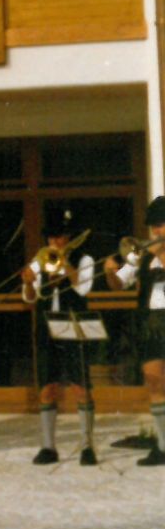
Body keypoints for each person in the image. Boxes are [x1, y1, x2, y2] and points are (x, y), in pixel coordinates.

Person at [21, 209, 97, 465]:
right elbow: (29, 299)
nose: (55, 243)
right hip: (46, 327)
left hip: (72, 325)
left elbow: (83, 287)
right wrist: (30, 282)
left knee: (81, 386)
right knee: (47, 386)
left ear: (68, 237)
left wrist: (65, 266)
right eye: (52, 238)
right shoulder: (38, 259)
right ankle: (48, 447)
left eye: (60, 238)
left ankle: (87, 447)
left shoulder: (84, 259)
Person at [110, 197, 165, 467]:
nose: (156, 231)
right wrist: (111, 272)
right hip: (151, 326)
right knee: (154, 379)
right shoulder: (144, 256)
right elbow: (119, 283)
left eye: (161, 225)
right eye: (154, 226)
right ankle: (162, 446)